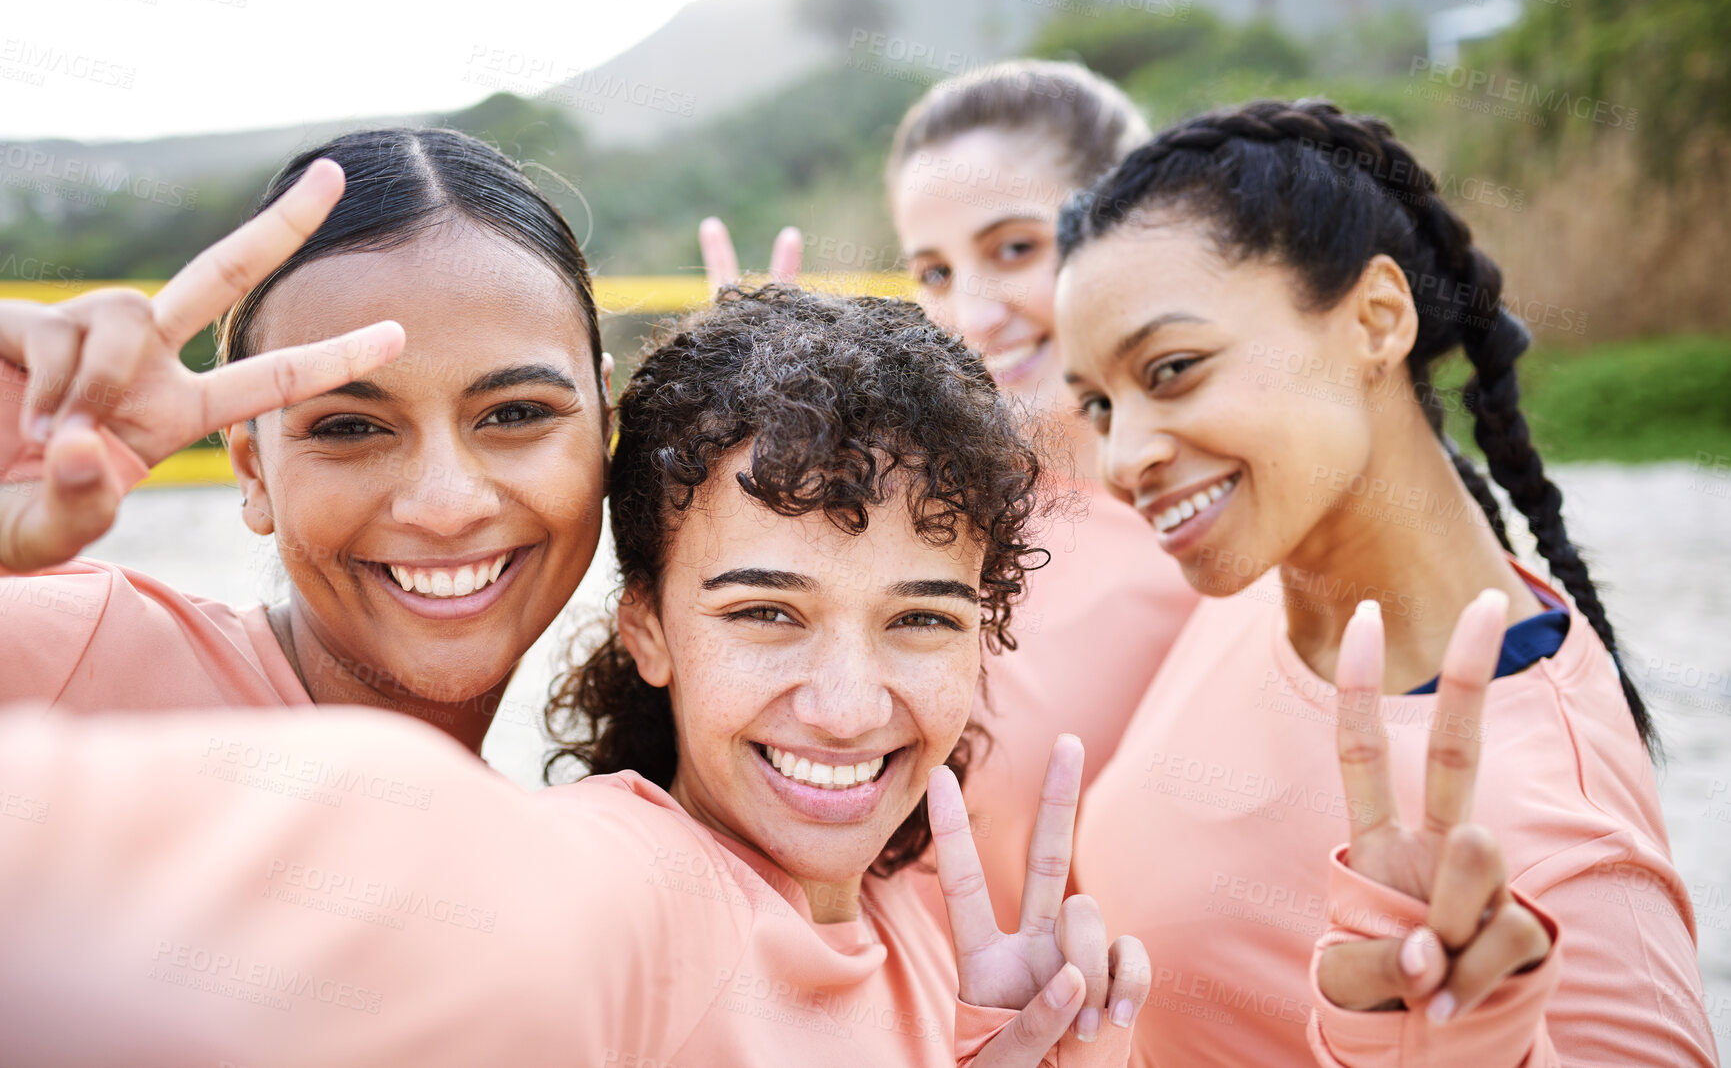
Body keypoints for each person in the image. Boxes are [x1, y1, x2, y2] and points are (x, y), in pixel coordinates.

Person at [0, 286, 1149, 1067]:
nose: (848, 707)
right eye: (764, 612)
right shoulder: (649, 892)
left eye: (921, 620)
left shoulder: (926, 917)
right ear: (645, 627)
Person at [1056, 99, 1714, 1065]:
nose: (1124, 456)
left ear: (1376, 319)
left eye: (1173, 368)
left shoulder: (1542, 821)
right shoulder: (1258, 574)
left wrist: (1466, 1046)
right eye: (1099, 404)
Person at [705, 60, 1199, 931]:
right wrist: (738, 453)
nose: (972, 310)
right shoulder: (909, 513)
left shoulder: (1222, 549)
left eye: (1015, 248)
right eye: (933, 273)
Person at [0, 128, 611, 751]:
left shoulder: (614, 813)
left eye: (514, 415)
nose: (446, 508)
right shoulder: (79, 658)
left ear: (608, 425)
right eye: (349, 428)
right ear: (253, 469)